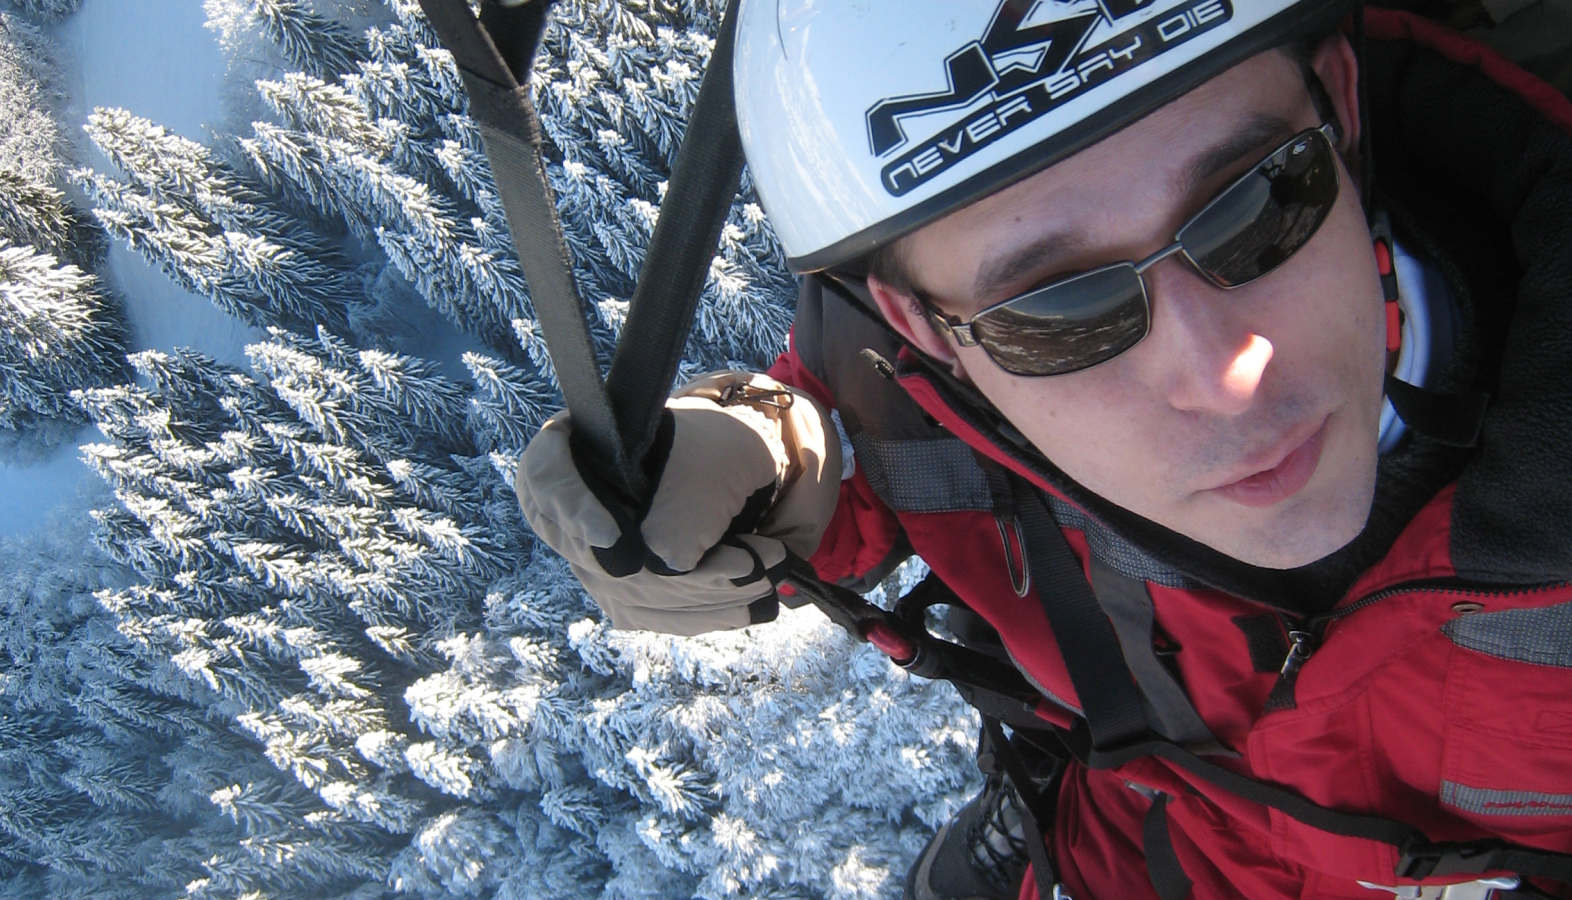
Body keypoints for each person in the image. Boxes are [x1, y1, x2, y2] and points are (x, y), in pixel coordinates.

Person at [516, 1, 1572, 898]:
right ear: (927, 333)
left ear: (1338, 113)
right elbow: (899, 448)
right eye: (1058, 318)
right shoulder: (904, 389)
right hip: (1139, 820)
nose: (1224, 374)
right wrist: (780, 457)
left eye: (1258, 206)